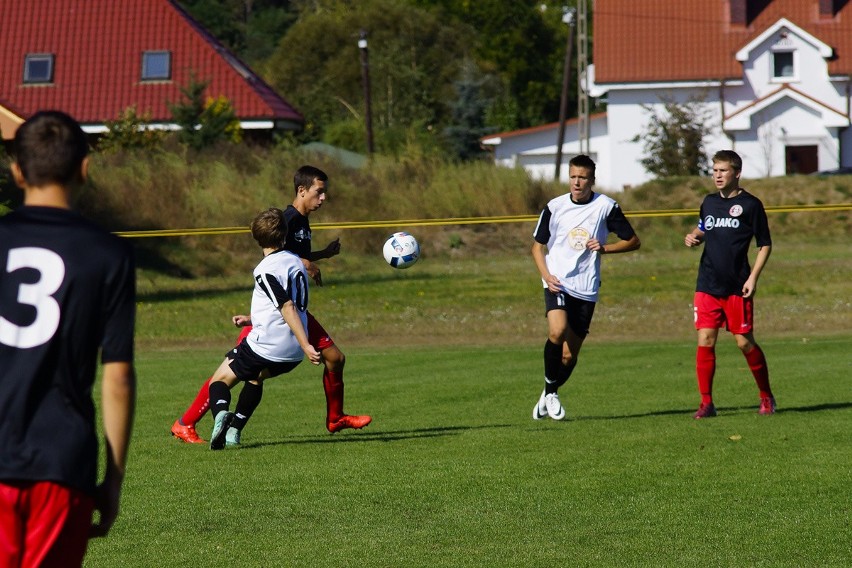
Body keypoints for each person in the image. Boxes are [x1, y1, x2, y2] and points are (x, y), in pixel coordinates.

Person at [0, 111, 136, 566]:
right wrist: (113, 480)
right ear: (85, 167)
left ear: (16, 170)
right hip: (61, 463)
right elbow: (117, 378)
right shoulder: (109, 253)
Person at [171, 165, 371, 444]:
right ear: (302, 191)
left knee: (333, 358)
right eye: (319, 192)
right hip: (279, 311)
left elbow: (290, 258)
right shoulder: (287, 220)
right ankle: (186, 423)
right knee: (229, 373)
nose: (323, 198)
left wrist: (321, 255)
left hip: (289, 310)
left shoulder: (302, 219)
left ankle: (334, 418)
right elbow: (280, 260)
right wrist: (307, 264)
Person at [531, 154, 640, 420]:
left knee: (568, 357)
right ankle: (552, 394)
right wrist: (547, 275)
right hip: (557, 281)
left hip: (586, 287)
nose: (576, 182)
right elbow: (537, 247)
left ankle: (548, 392)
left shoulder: (606, 207)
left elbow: (633, 241)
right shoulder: (555, 206)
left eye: (582, 178)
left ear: (592, 180)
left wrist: (605, 248)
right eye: (573, 177)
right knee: (556, 331)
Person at [202, 207, 321, 450]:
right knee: (255, 378)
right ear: (285, 235)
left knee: (219, 381)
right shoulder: (295, 261)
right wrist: (250, 318)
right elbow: (285, 302)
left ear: (257, 238)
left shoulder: (265, 269)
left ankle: (222, 415)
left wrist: (307, 344)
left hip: (272, 346)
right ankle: (234, 432)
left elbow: (287, 305)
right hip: (291, 355)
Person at [684, 150, 775, 419]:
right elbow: (704, 227)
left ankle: (766, 396)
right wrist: (694, 236)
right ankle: (706, 403)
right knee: (705, 339)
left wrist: (753, 278)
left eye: (723, 171)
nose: (717, 175)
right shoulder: (709, 202)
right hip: (708, 283)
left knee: (744, 343)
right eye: (714, 171)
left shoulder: (751, 205)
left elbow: (765, 244)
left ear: (737, 173)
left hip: (737, 285)